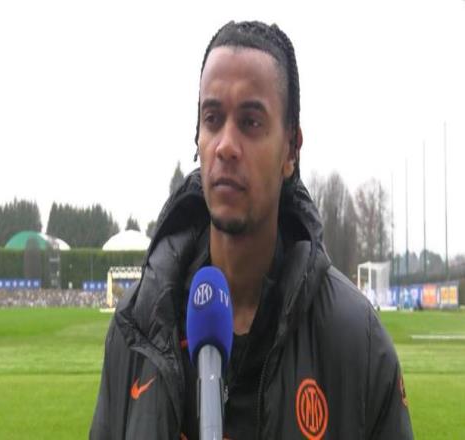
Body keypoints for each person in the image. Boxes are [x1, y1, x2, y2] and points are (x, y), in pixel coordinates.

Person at [90, 21, 413, 439]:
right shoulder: (135, 328)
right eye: (212, 119)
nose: (225, 145)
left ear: (291, 150)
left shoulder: (358, 340)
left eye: (250, 122)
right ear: (197, 137)